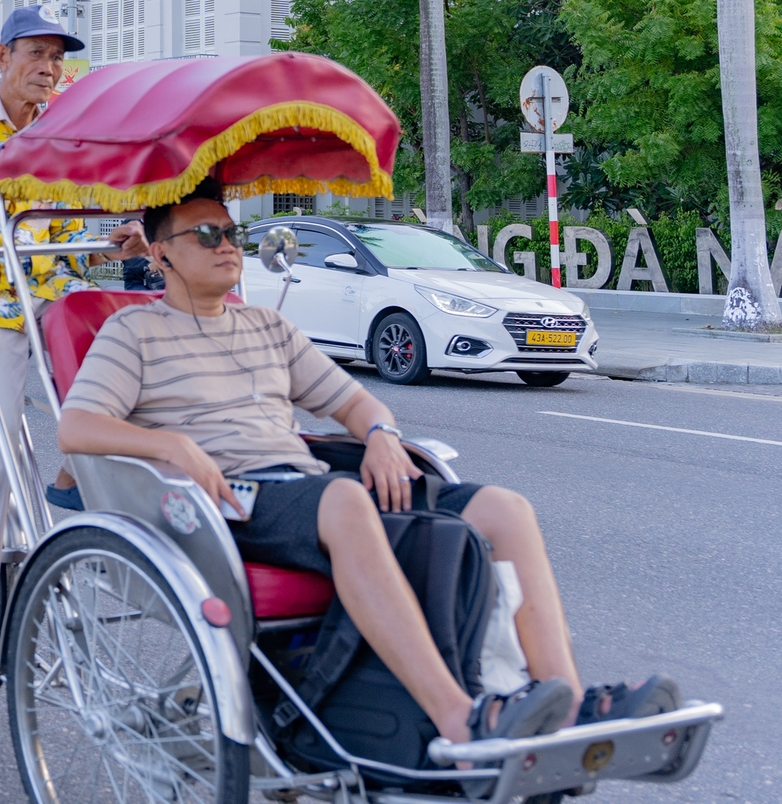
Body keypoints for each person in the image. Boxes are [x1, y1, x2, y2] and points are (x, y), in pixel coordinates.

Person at [56, 183, 679, 744]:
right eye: (207, 235)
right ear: (161, 255)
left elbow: (352, 399)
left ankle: (562, 703)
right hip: (223, 502)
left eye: (232, 232)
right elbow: (77, 426)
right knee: (346, 498)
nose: (227, 246)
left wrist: (381, 432)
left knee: (503, 510)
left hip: (304, 489)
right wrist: (172, 445)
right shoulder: (133, 332)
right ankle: (458, 719)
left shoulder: (267, 326)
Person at [0, 4, 149, 677]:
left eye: (58, 58)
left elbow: (77, 236)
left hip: (51, 299)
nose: (49, 69)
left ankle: (70, 487)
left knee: (136, 372)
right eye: (36, 54)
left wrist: (123, 238)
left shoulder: (67, 139)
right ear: (0, 58)